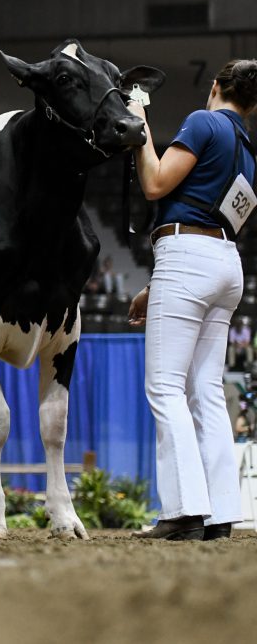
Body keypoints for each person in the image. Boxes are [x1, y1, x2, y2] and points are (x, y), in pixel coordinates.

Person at [125, 58, 257, 541]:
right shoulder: (249, 151)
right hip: (226, 262)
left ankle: (183, 510)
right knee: (205, 391)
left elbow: (156, 182)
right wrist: (156, 284)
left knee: (165, 387)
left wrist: (140, 119)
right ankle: (221, 513)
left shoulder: (203, 122)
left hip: (188, 256)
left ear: (218, 86)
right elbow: (217, 216)